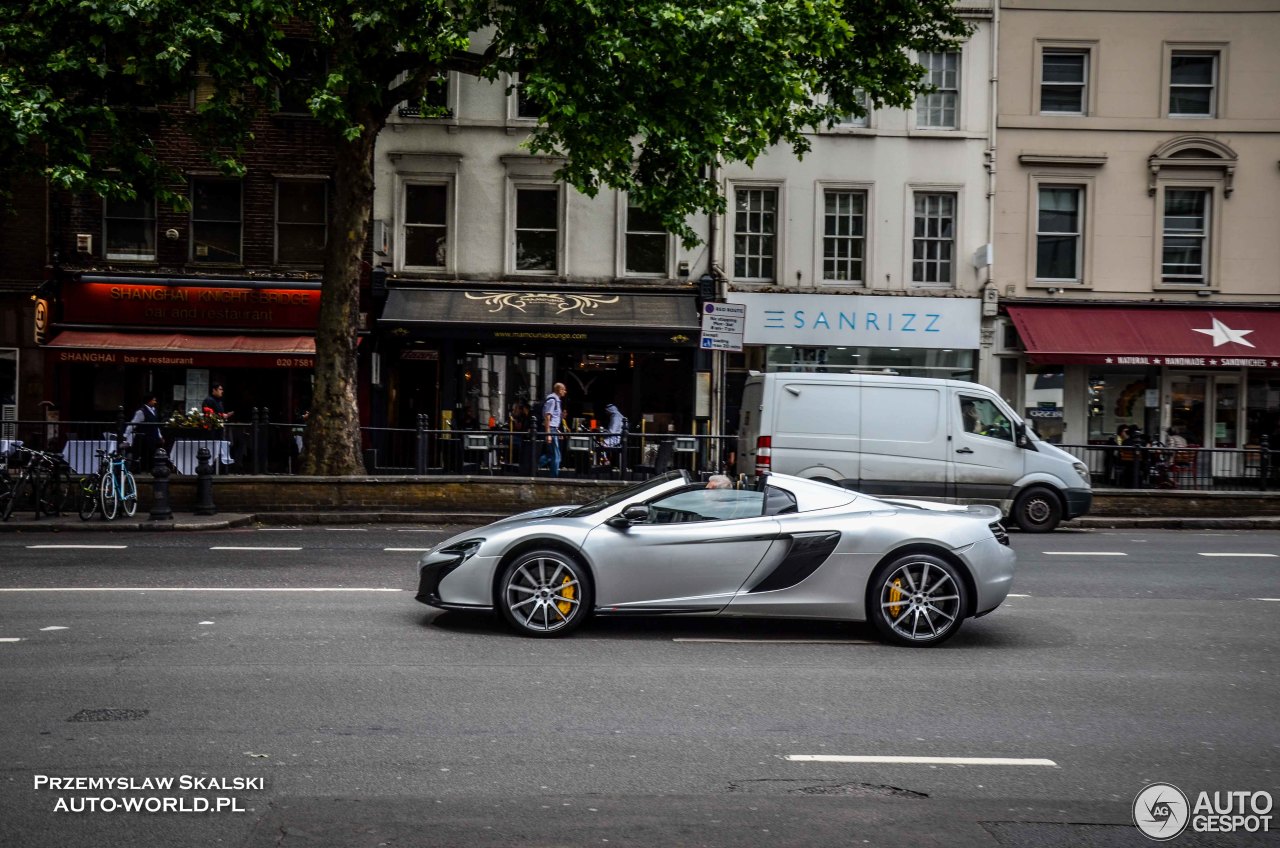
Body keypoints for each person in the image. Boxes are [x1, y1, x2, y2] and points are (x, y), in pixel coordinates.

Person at [125, 393, 164, 472]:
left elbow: (156, 425)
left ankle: (151, 470)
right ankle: (142, 470)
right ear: (149, 401)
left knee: (152, 454)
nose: (155, 402)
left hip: (154, 436)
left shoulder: (154, 411)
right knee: (145, 454)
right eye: (153, 400)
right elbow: (133, 424)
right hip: (145, 437)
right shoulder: (141, 412)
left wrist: (160, 436)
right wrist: (125, 435)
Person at [540, 382, 568, 477]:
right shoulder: (552, 400)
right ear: (559, 390)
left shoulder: (557, 400)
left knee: (550, 454)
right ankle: (554, 478)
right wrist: (548, 434)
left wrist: (557, 430)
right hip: (551, 430)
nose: (565, 391)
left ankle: (532, 467)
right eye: (564, 389)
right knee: (557, 456)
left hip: (553, 429)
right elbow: (548, 417)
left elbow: (554, 418)